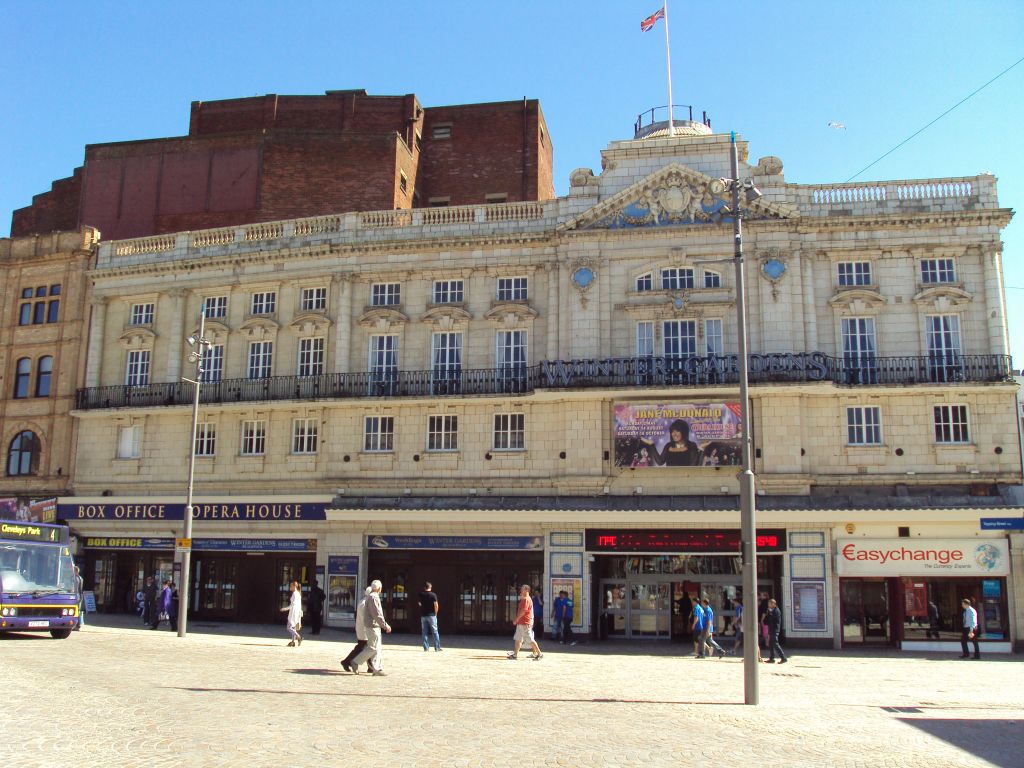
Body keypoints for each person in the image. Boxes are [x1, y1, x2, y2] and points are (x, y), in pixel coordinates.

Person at [351, 580, 391, 675]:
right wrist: (385, 625)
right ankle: (356, 661)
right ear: (379, 588)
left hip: (372, 626)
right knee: (373, 648)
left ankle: (376, 669)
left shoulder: (371, 597)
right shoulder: (373, 597)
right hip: (373, 626)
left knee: (377, 648)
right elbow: (377, 614)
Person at [341, 587, 377, 673]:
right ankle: (347, 661)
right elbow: (366, 618)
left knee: (367, 648)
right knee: (363, 648)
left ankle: (370, 666)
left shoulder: (363, 601)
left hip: (363, 629)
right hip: (364, 629)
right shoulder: (365, 603)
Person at [507, 584, 542, 660]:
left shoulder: (526, 599)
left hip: (525, 622)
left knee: (530, 639)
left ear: (527, 590)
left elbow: (523, 611)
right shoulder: (525, 598)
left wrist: (516, 619)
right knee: (518, 639)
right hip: (522, 622)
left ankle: (539, 654)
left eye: (522, 589)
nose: (521, 590)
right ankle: (515, 654)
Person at [418, 581, 442, 652]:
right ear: (430, 587)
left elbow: (419, 604)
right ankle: (437, 647)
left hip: (423, 615)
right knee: (435, 631)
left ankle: (426, 648)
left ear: (424, 587)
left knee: (424, 631)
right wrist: (436, 613)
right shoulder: (433, 595)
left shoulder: (420, 594)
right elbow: (436, 605)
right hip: (432, 615)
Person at [281, 580, 303, 647]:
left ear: (294, 586)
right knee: (293, 627)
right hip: (297, 612)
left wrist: (284, 609)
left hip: (294, 612)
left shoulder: (294, 594)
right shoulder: (298, 593)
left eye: (291, 586)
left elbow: (292, 605)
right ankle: (293, 642)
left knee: (289, 627)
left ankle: (298, 637)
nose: (290, 587)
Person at [765, 598, 787, 663]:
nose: (769, 605)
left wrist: (770, 613)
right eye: (769, 604)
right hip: (771, 629)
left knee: (775, 644)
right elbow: (767, 620)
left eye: (770, 604)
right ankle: (771, 658)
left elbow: (774, 620)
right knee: (771, 644)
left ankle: (783, 658)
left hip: (774, 629)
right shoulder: (771, 611)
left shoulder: (776, 611)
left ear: (774, 604)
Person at [73, 565, 85, 630]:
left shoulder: (75, 579)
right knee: (78, 611)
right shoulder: (81, 578)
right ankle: (78, 625)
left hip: (75, 596)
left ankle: (76, 625)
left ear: (76, 571)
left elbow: (74, 588)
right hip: (80, 596)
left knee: (75, 611)